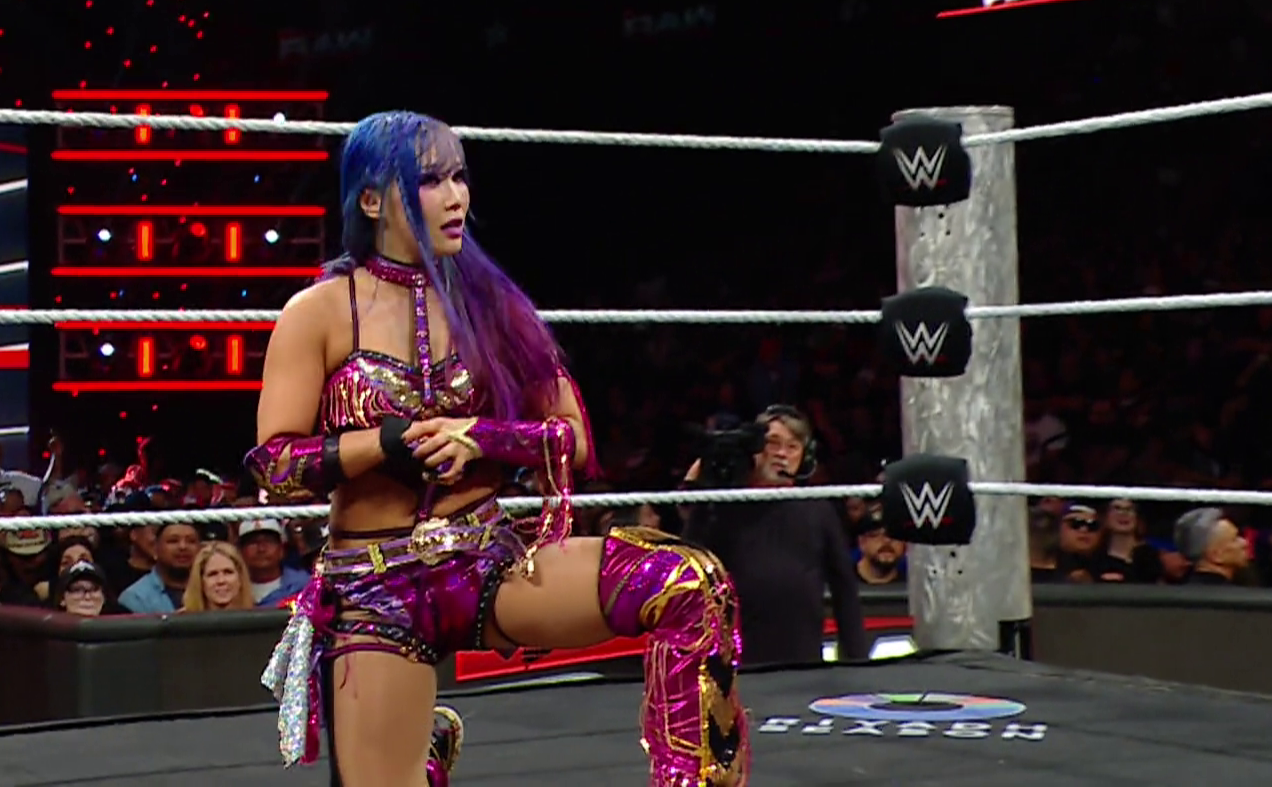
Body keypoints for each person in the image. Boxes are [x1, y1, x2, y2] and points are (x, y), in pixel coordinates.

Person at [246, 112, 747, 787]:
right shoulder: (319, 312)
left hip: (489, 561)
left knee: (691, 584)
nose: (457, 197)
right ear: (370, 200)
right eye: (431, 181)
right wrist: (384, 443)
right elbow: (275, 466)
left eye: (460, 177)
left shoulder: (492, 305)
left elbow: (572, 437)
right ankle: (421, 759)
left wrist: (481, 437)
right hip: (374, 588)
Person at [681, 406, 867, 667]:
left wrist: (857, 662)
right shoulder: (726, 507)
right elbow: (689, 565)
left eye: (792, 447)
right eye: (773, 443)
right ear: (755, 449)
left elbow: (844, 590)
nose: (782, 454)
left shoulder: (817, 508)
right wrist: (702, 490)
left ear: (804, 456)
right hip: (738, 663)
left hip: (803, 661)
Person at [183, 541, 255, 612]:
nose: (221, 580)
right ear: (200, 581)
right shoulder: (181, 618)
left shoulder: (257, 617)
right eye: (212, 574)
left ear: (240, 578)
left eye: (228, 572)